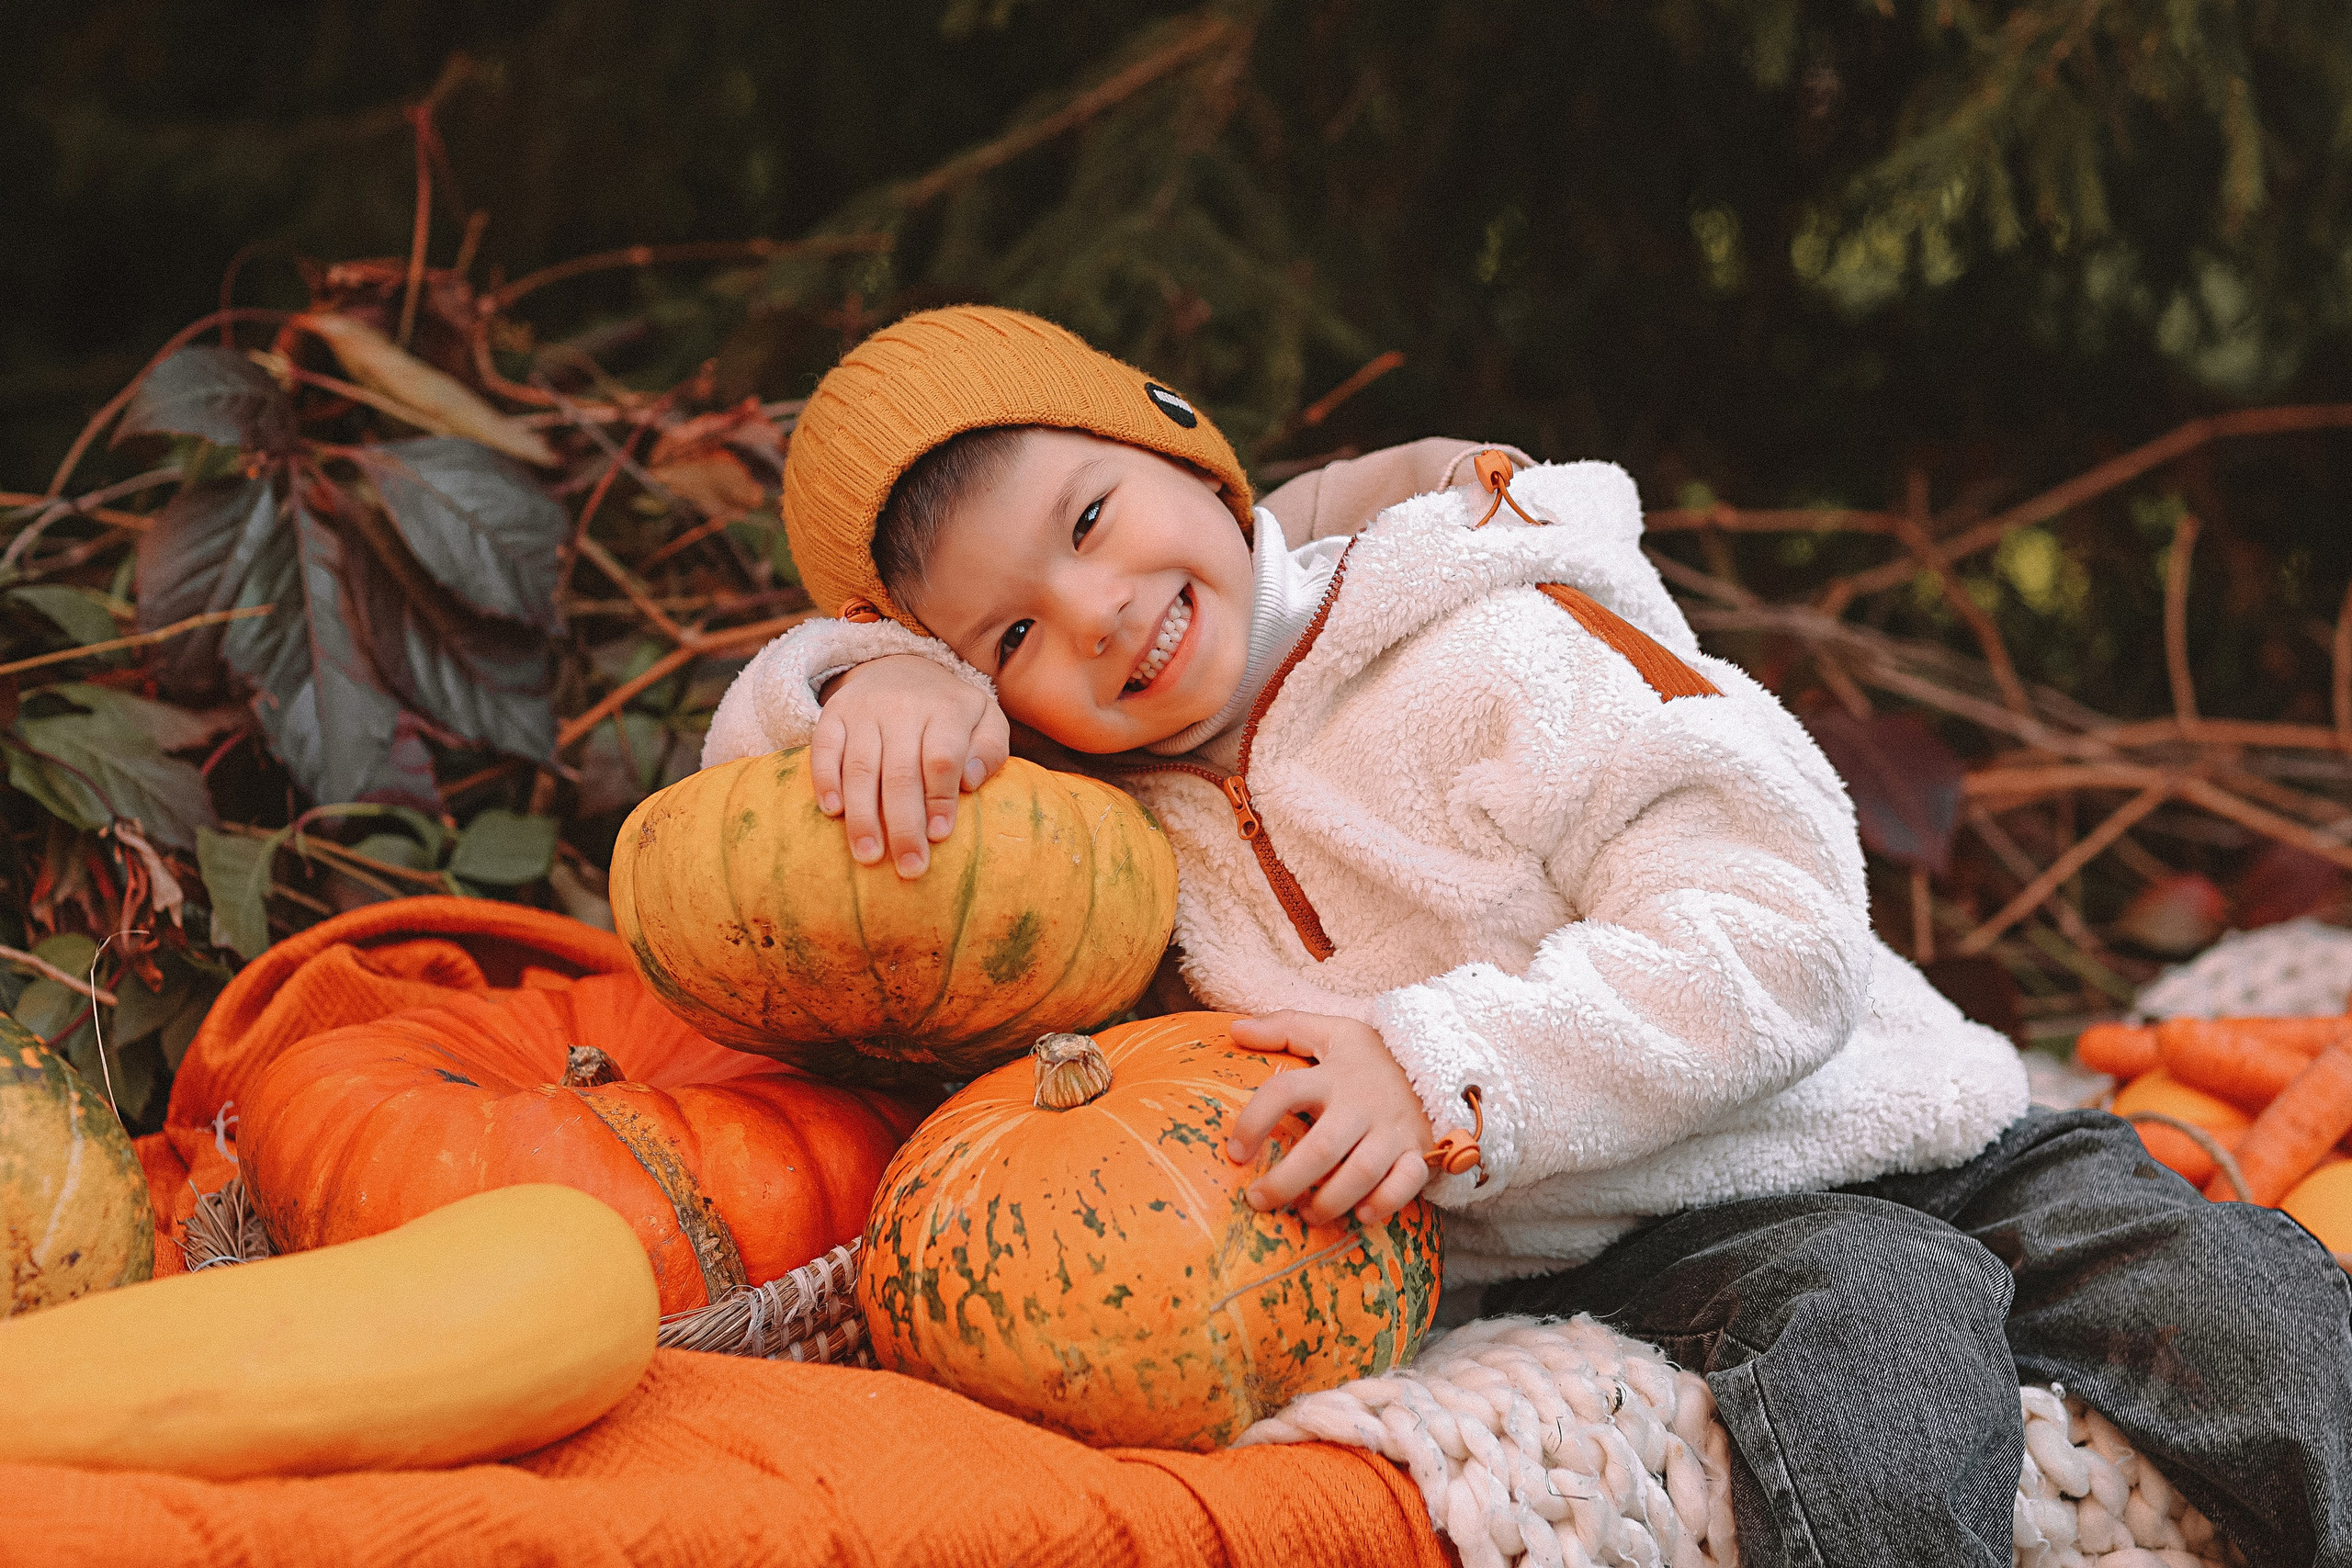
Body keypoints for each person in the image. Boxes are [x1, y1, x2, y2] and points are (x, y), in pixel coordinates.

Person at [702, 305, 2351, 1565]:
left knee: (2230, 1300)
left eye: (1087, 522)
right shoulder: (1092, 839)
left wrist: (1439, 1070)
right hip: (1624, 1240)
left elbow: (1779, 929)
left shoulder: (1487, 634)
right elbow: (741, 848)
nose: (1099, 612)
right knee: (1879, 1326)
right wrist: (859, 685)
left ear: (1188, 454)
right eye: (1008, 637)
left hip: (1899, 1120)